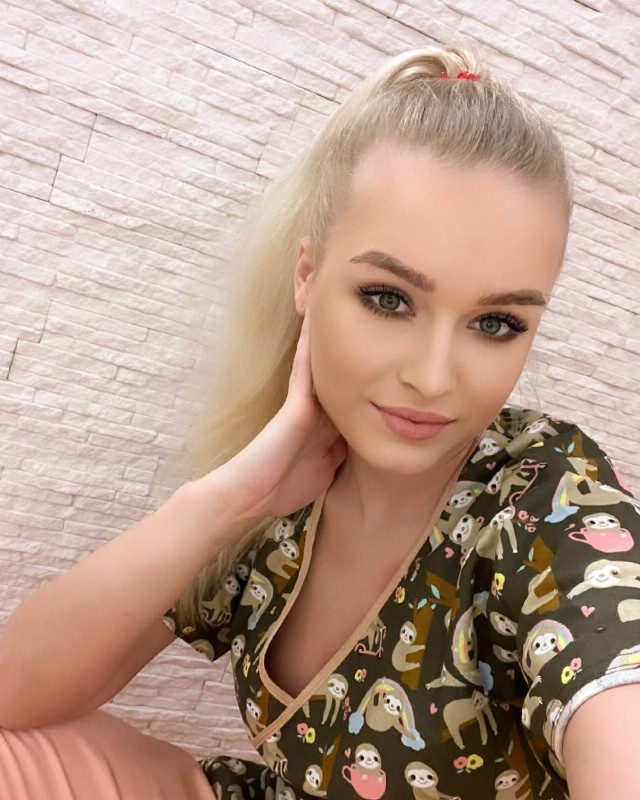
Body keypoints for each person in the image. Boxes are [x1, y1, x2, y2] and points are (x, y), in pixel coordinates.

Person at [0, 44, 639, 800]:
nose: (433, 377)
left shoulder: (545, 502)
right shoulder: (279, 499)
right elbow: (14, 692)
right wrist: (230, 498)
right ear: (307, 276)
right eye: (389, 299)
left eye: (496, 323)